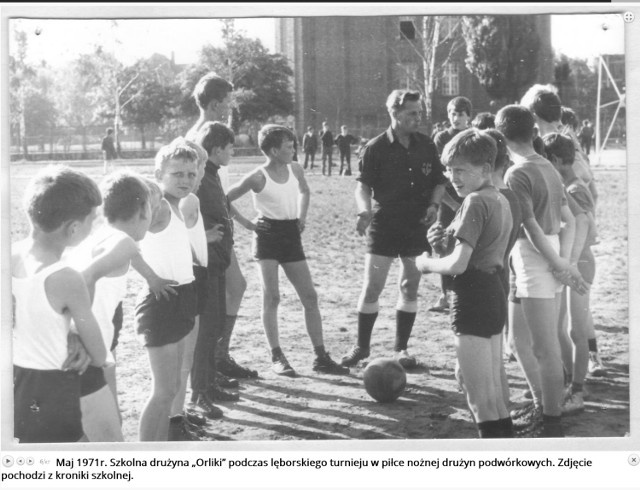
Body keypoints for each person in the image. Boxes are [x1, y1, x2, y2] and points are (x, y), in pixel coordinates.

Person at [227, 125, 349, 377]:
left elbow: (304, 190)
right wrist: (246, 223)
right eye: (289, 146)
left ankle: (321, 356)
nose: (294, 150)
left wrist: (302, 216)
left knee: (310, 296)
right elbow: (224, 199)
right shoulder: (258, 176)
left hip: (291, 235)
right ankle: (277, 356)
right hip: (267, 237)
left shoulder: (295, 168)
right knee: (272, 297)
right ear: (273, 150)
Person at [416, 129, 514, 438]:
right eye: (448, 169)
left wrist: (426, 263)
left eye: (460, 170)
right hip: (494, 293)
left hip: (472, 299)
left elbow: (459, 264)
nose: (451, 177)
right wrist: (442, 245)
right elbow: (479, 250)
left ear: (485, 168)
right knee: (495, 395)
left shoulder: (473, 202)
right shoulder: (498, 198)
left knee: (479, 398)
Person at [495, 104, 586, 438]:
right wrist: (565, 261)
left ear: (502, 136)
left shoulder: (516, 173)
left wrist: (561, 264)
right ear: (532, 132)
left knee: (544, 349)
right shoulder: (546, 164)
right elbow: (572, 220)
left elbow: (531, 228)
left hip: (537, 259)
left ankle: (552, 424)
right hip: (544, 259)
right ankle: (541, 406)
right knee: (519, 342)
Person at [340, 89, 447, 369]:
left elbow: (439, 180)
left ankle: (401, 348)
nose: (418, 117)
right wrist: (364, 211)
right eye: (412, 113)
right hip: (385, 225)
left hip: (417, 226)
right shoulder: (375, 148)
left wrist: (434, 205)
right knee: (372, 287)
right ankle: (361, 347)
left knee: (409, 286)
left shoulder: (426, 145)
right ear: (395, 114)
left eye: (419, 112)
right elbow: (362, 186)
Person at [12, 165, 107, 443]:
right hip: (52, 385)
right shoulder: (66, 277)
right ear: (74, 228)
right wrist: (80, 337)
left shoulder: (10, 255)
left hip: (16, 379)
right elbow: (99, 355)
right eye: (92, 220)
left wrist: (69, 332)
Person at [186, 72, 258, 382]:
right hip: (207, 233)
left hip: (219, 227)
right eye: (227, 102)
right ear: (215, 103)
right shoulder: (201, 139)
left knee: (234, 288)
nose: (229, 108)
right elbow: (192, 190)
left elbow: (218, 189)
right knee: (218, 297)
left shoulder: (213, 133)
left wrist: (242, 222)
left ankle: (217, 356)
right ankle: (212, 361)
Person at [135, 140, 199, 441]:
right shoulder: (158, 206)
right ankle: (145, 455)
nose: (185, 180)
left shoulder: (178, 205)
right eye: (177, 174)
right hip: (161, 302)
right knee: (162, 392)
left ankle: (161, 449)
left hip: (183, 297)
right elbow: (122, 239)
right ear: (159, 174)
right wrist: (151, 278)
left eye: (191, 173)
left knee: (172, 388)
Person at [543, 132, 600, 412]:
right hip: (572, 265)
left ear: (554, 160)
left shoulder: (575, 188)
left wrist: (573, 262)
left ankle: (578, 390)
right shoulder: (567, 184)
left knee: (576, 331)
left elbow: (589, 227)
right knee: (560, 329)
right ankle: (569, 382)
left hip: (582, 264)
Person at [431, 96, 473, 313]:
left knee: (470, 244)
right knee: (444, 244)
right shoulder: (441, 138)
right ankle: (445, 294)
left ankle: (466, 292)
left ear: (469, 116)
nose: (456, 118)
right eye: (452, 114)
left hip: (471, 198)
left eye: (460, 114)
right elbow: (439, 175)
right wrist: (450, 203)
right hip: (449, 200)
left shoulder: (473, 137)